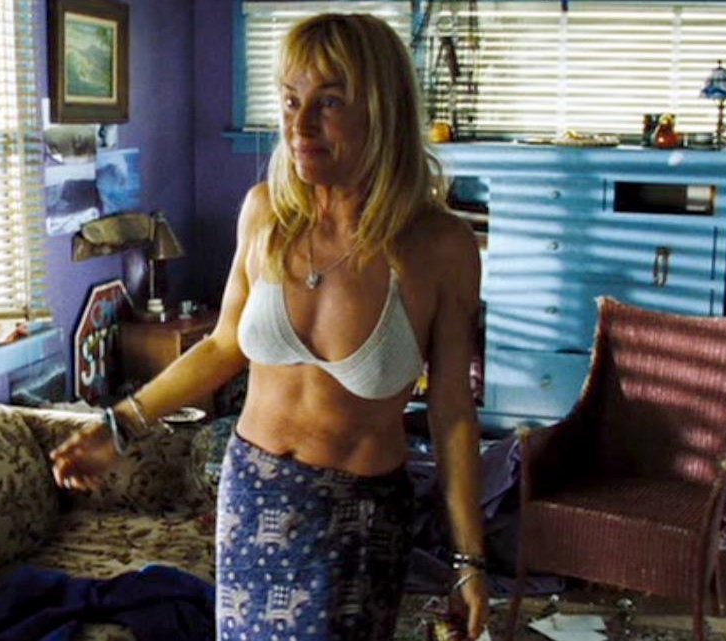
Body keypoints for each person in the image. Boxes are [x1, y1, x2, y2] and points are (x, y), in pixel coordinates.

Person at [50, 12, 490, 641]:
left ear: (382, 111)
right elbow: (224, 345)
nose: (299, 125)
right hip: (253, 492)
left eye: (328, 102)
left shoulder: (440, 246)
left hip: (357, 519)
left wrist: (469, 561)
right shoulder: (265, 216)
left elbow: (452, 415)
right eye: (290, 99)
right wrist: (119, 425)